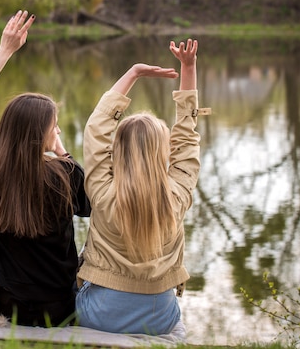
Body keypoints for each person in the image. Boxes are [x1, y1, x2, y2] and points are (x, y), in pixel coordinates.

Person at [0, 10, 91, 327]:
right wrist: (64, 154)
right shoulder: (66, 174)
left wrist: (4, 51)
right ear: (44, 134)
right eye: (54, 126)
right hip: (60, 308)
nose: (57, 130)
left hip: (8, 305)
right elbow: (88, 207)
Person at [75, 39, 209, 336]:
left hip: (100, 315)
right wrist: (189, 68)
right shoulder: (177, 195)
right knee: (179, 322)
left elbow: (97, 129)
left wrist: (132, 74)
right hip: (158, 316)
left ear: (118, 151)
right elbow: (187, 138)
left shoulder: (102, 191)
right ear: (163, 152)